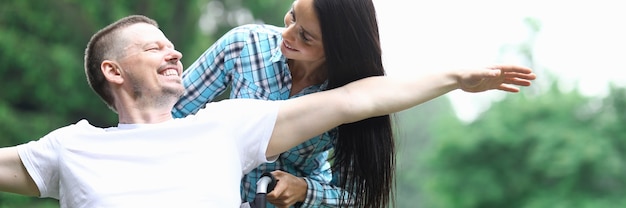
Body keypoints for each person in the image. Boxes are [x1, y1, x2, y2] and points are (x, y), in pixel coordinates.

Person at [0, 15, 536, 208]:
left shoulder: (226, 127)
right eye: (153, 48)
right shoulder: (71, 147)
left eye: (172, 45)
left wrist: (458, 78)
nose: (176, 52)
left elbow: (358, 100)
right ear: (114, 72)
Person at [172, 0, 394, 207]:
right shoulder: (245, 45)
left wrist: (305, 191)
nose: (286, 33)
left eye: (305, 37)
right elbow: (173, 110)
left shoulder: (355, 96)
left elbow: (357, 194)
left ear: (338, 49)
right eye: (292, 16)